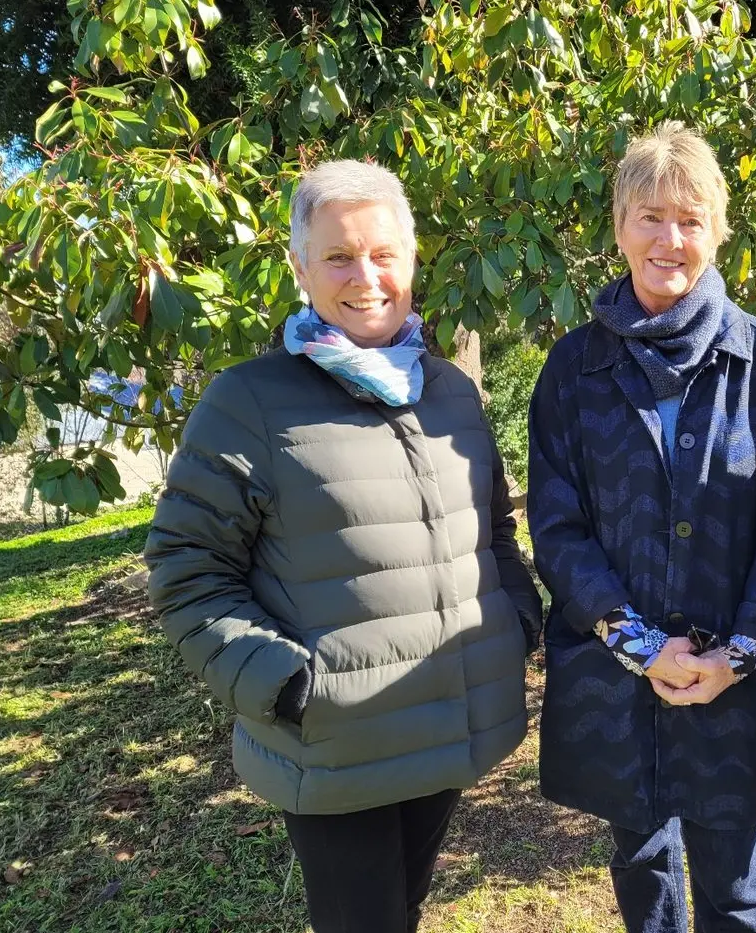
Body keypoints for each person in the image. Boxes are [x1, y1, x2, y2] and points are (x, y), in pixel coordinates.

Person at [144, 159, 541, 933]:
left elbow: (493, 529)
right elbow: (188, 574)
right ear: (300, 267)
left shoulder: (451, 390)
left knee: (408, 909)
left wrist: (514, 620)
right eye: (338, 256)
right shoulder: (249, 401)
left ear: (412, 258)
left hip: (445, 722)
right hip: (334, 745)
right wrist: (289, 685)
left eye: (384, 253)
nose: (366, 276)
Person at [527, 121, 756, 933]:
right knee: (642, 868)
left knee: (734, 894)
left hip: (739, 683)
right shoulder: (572, 370)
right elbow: (558, 525)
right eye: (650, 215)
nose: (669, 238)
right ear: (619, 227)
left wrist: (737, 653)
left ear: (718, 232)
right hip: (619, 681)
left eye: (690, 218)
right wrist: (643, 646)